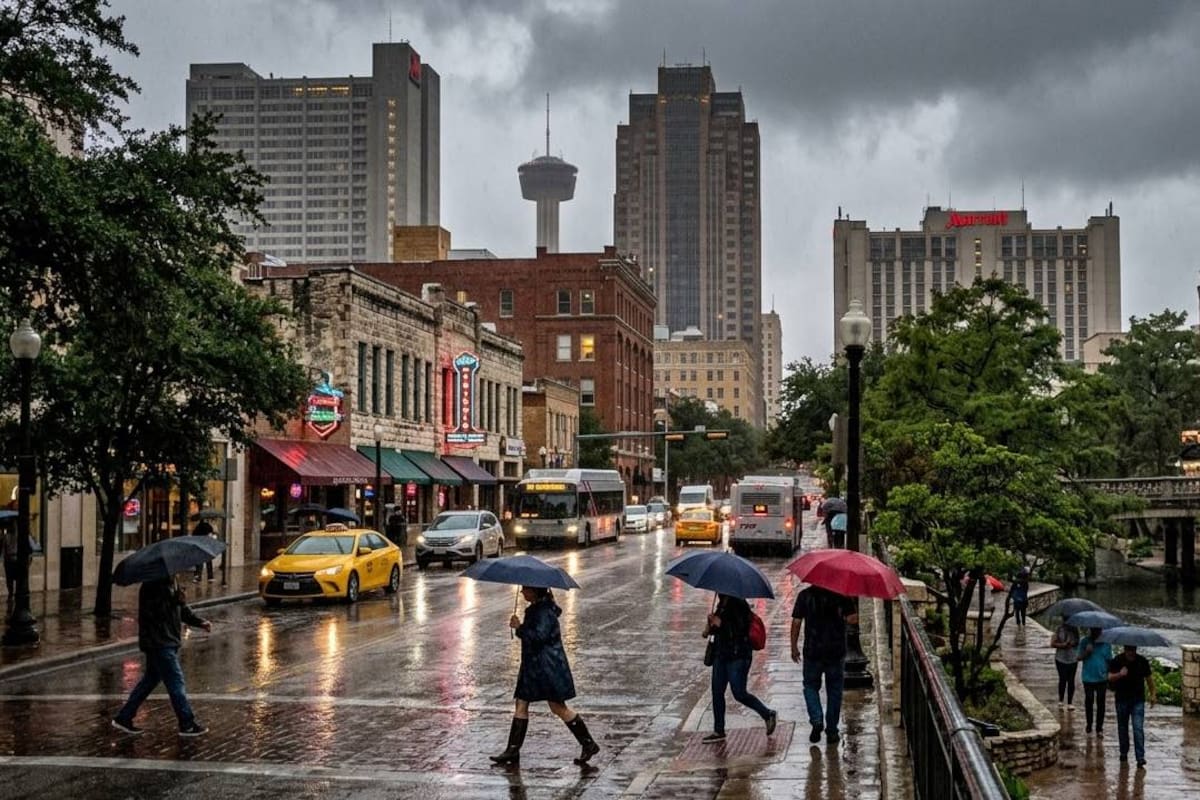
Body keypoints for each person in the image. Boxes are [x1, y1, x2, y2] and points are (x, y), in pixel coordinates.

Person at [490, 586, 600, 767]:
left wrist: (520, 628)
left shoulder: (543, 611)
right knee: (521, 703)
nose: (522, 592)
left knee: (558, 707)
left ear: (535, 591)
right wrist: (521, 628)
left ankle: (588, 743)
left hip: (547, 667)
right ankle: (512, 750)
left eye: (526, 589)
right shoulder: (538, 608)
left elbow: (539, 637)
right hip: (534, 666)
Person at [112, 576, 212, 736]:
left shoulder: (172, 582)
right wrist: (174, 600)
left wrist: (199, 622)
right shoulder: (152, 585)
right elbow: (154, 613)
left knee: (150, 680)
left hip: (167, 640)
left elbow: (181, 610)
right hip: (159, 642)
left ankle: (124, 717)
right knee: (176, 682)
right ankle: (186, 723)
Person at [701, 593, 777, 743]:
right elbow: (716, 631)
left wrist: (720, 623)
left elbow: (740, 631)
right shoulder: (721, 604)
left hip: (738, 656)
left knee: (739, 693)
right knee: (717, 692)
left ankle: (767, 714)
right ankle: (719, 730)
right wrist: (709, 627)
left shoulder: (739, 604)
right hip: (721, 655)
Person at [792, 585, 858, 744]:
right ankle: (832, 731)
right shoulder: (841, 595)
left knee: (810, 686)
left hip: (812, 650)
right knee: (835, 690)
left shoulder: (804, 595)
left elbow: (796, 622)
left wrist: (793, 646)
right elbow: (853, 619)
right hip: (835, 651)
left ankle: (816, 719)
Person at [1108, 644, 1155, 767]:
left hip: (1138, 700)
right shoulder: (1117, 660)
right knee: (1122, 728)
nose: (1131, 653)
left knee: (1138, 728)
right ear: (1124, 649)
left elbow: (1149, 678)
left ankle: (1140, 757)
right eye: (1128, 650)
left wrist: (1153, 694)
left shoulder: (1142, 661)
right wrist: (1120, 674)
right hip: (1121, 700)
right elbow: (1109, 677)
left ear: (1136, 650)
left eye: (1133, 650)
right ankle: (1123, 752)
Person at [1077, 627, 1112, 737]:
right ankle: (1089, 724)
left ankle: (1099, 728)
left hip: (1102, 678)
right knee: (1089, 700)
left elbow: (1109, 660)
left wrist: (1110, 675)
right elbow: (1078, 657)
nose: (1096, 632)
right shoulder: (1084, 641)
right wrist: (1086, 652)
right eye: (1094, 630)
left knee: (1101, 703)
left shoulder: (1106, 643)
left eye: (1098, 630)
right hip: (1088, 677)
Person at [1050, 621, 1080, 708]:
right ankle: (1061, 700)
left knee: (1071, 680)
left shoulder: (1075, 629)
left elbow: (1078, 642)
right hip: (1060, 658)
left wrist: (1072, 644)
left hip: (1072, 659)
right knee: (1062, 679)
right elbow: (1052, 643)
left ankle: (1070, 702)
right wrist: (1063, 645)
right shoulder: (1059, 629)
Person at [191, 518, 216, 583]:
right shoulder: (209, 526)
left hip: (199, 546)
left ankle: (198, 577)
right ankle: (210, 577)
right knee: (209, 562)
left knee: (199, 562)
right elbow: (211, 535)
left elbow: (193, 535)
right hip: (207, 546)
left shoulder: (198, 527)